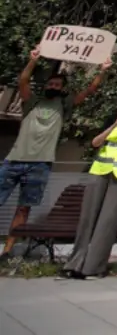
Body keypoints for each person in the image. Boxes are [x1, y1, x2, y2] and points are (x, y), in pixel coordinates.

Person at [1, 49, 109, 258]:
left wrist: (102, 71)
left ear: (63, 90)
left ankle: (8, 249)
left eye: (57, 85)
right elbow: (23, 80)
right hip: (14, 160)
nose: (53, 87)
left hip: (40, 164)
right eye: (51, 84)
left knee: (24, 208)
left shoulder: (64, 105)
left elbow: (91, 90)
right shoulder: (32, 102)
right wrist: (33, 60)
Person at [58, 84, 117, 281]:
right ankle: (75, 263)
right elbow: (96, 142)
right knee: (88, 219)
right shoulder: (115, 116)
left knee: (107, 222)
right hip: (101, 170)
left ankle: (93, 267)